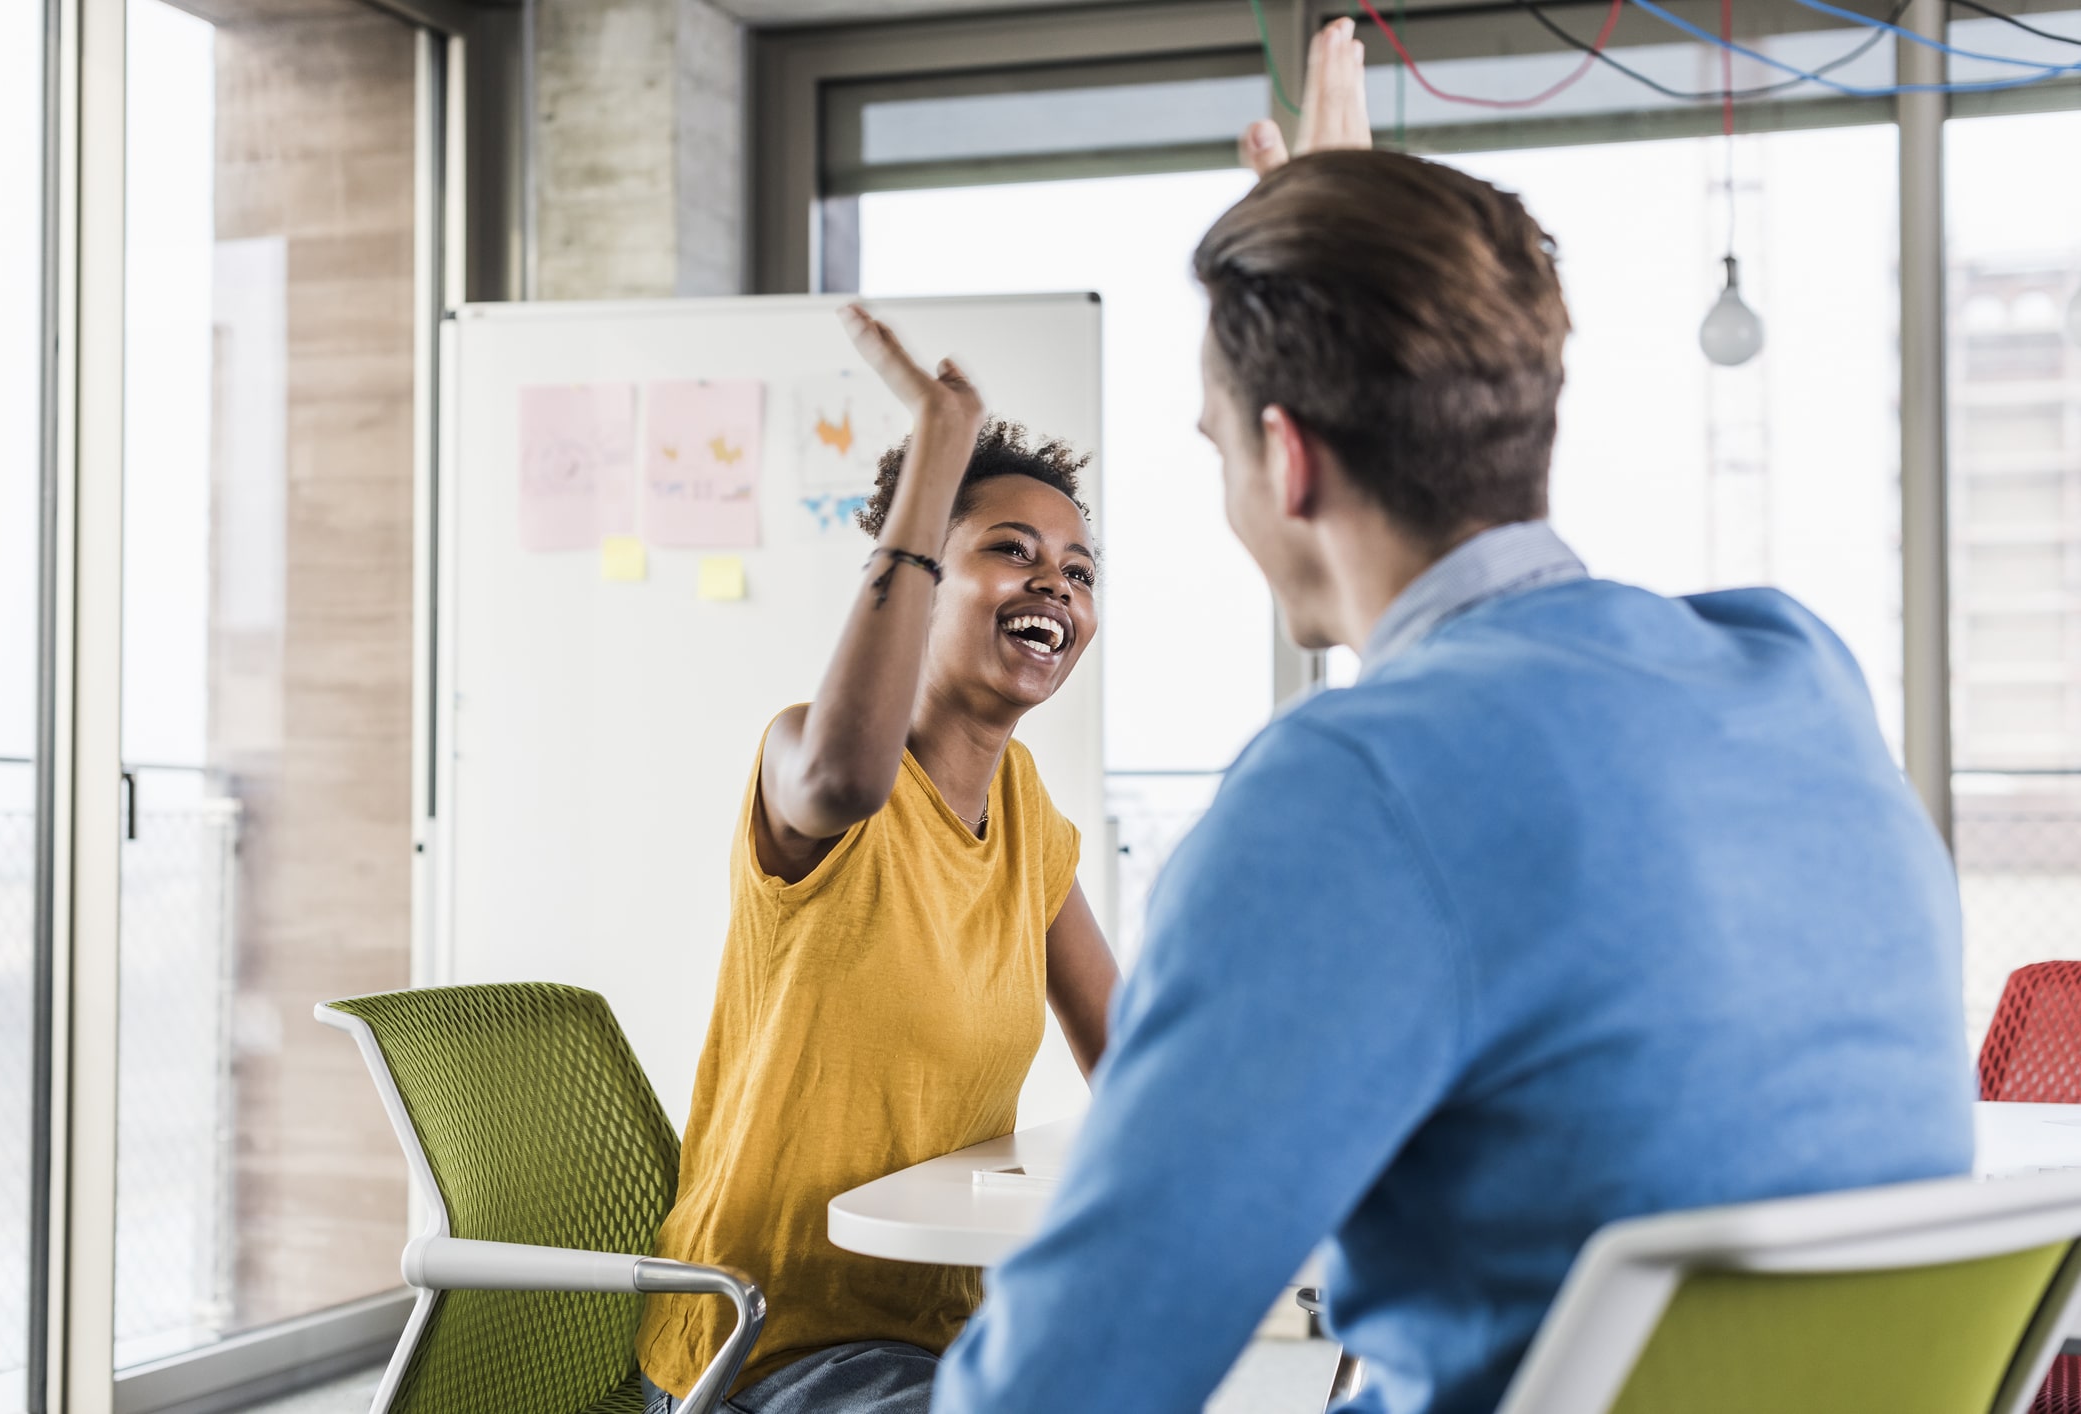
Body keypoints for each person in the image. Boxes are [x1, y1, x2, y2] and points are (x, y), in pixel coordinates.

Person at [930, 19, 1975, 1414]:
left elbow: (1058, 1387)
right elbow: (1507, 736)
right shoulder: (1793, 677)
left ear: (1285, 457)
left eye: (1214, 443)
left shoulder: (1339, 794)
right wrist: (1369, 271)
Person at [637, 307, 1120, 1413]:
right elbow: (849, 777)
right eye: (1009, 550)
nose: (1056, 584)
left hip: (945, 1329)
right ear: (922, 583)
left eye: (1078, 570)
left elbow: (1129, 1053)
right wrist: (939, 445)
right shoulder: (809, 758)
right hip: (765, 1343)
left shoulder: (1026, 815)